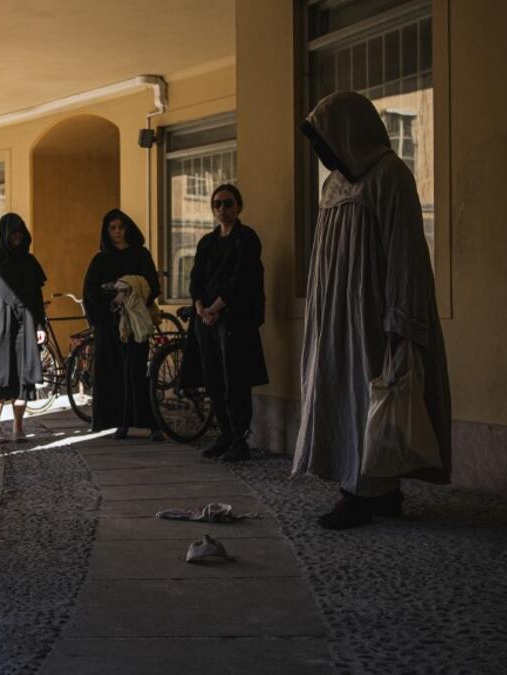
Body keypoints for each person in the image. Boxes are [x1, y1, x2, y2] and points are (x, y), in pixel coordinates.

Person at [293, 91, 452, 530]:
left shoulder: (390, 176)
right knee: (344, 396)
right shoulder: (333, 184)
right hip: (335, 316)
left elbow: (407, 255)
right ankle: (379, 491)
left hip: (371, 313)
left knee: (372, 399)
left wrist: (402, 320)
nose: (323, 152)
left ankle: (361, 493)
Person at [188, 184, 268, 463]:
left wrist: (216, 307)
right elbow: (196, 278)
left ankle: (239, 438)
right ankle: (224, 433)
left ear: (238, 206)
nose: (222, 209)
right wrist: (200, 307)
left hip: (233, 318)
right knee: (213, 378)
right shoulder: (207, 242)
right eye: (218, 204)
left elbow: (242, 279)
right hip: (206, 319)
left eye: (228, 203)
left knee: (235, 378)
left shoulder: (246, 238)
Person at [83, 209, 164, 440]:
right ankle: (121, 422)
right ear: (107, 231)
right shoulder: (100, 260)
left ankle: (152, 424)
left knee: (136, 372)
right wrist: (100, 318)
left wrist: (129, 293)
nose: (117, 232)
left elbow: (151, 285)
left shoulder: (140, 254)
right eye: (112, 228)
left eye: (121, 227)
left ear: (127, 228)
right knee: (113, 374)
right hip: (109, 325)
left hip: (134, 325)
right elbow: (90, 290)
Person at [0, 213, 48, 444]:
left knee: (23, 378)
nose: (17, 236)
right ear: (4, 233)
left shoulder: (30, 262)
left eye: (20, 231)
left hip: (25, 324)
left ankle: (18, 427)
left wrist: (40, 325)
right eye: (13, 231)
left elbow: (37, 297)